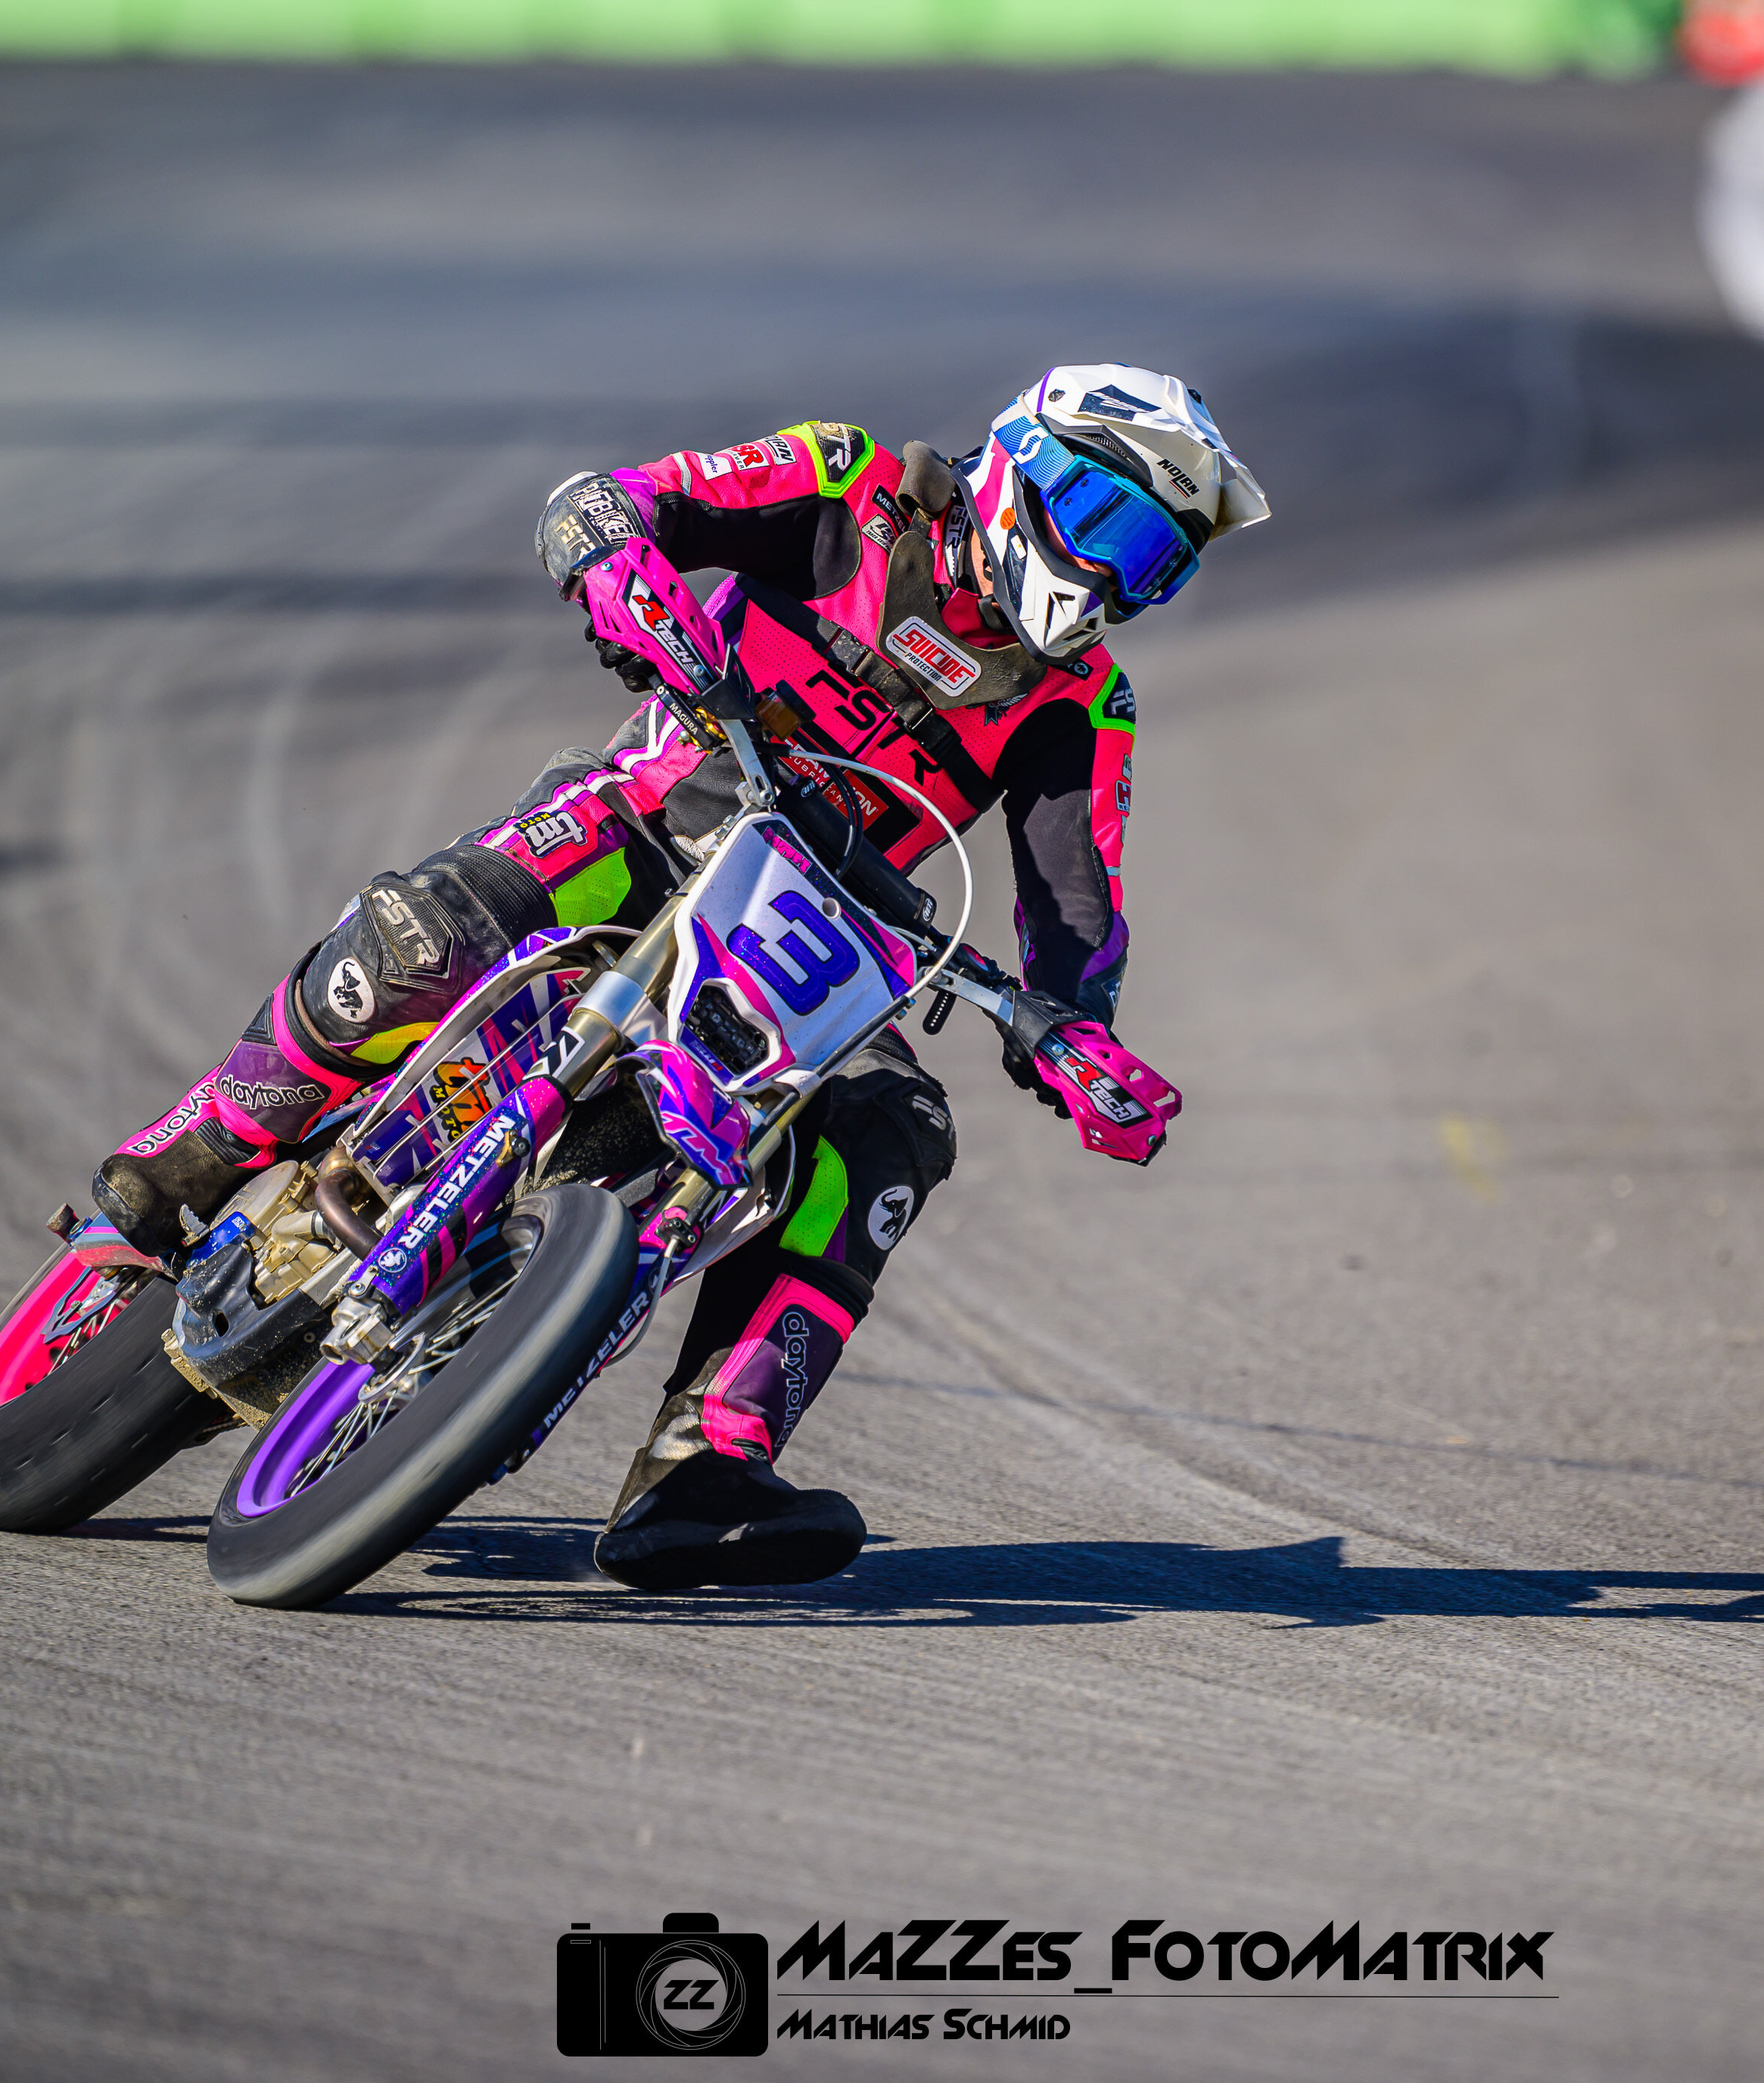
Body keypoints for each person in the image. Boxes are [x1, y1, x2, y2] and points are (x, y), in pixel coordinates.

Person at [89, 364, 1268, 1589]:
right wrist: (618, 566)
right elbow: (608, 502)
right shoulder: (851, 482)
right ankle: (192, 1155)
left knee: (897, 1130)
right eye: (1117, 530)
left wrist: (1078, 1036)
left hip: (823, 941)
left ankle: (707, 1463)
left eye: (1158, 565)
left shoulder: (1085, 700)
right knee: (427, 939)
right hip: (648, 822)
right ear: (1030, 467)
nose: (1116, 580)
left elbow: (1078, 911)